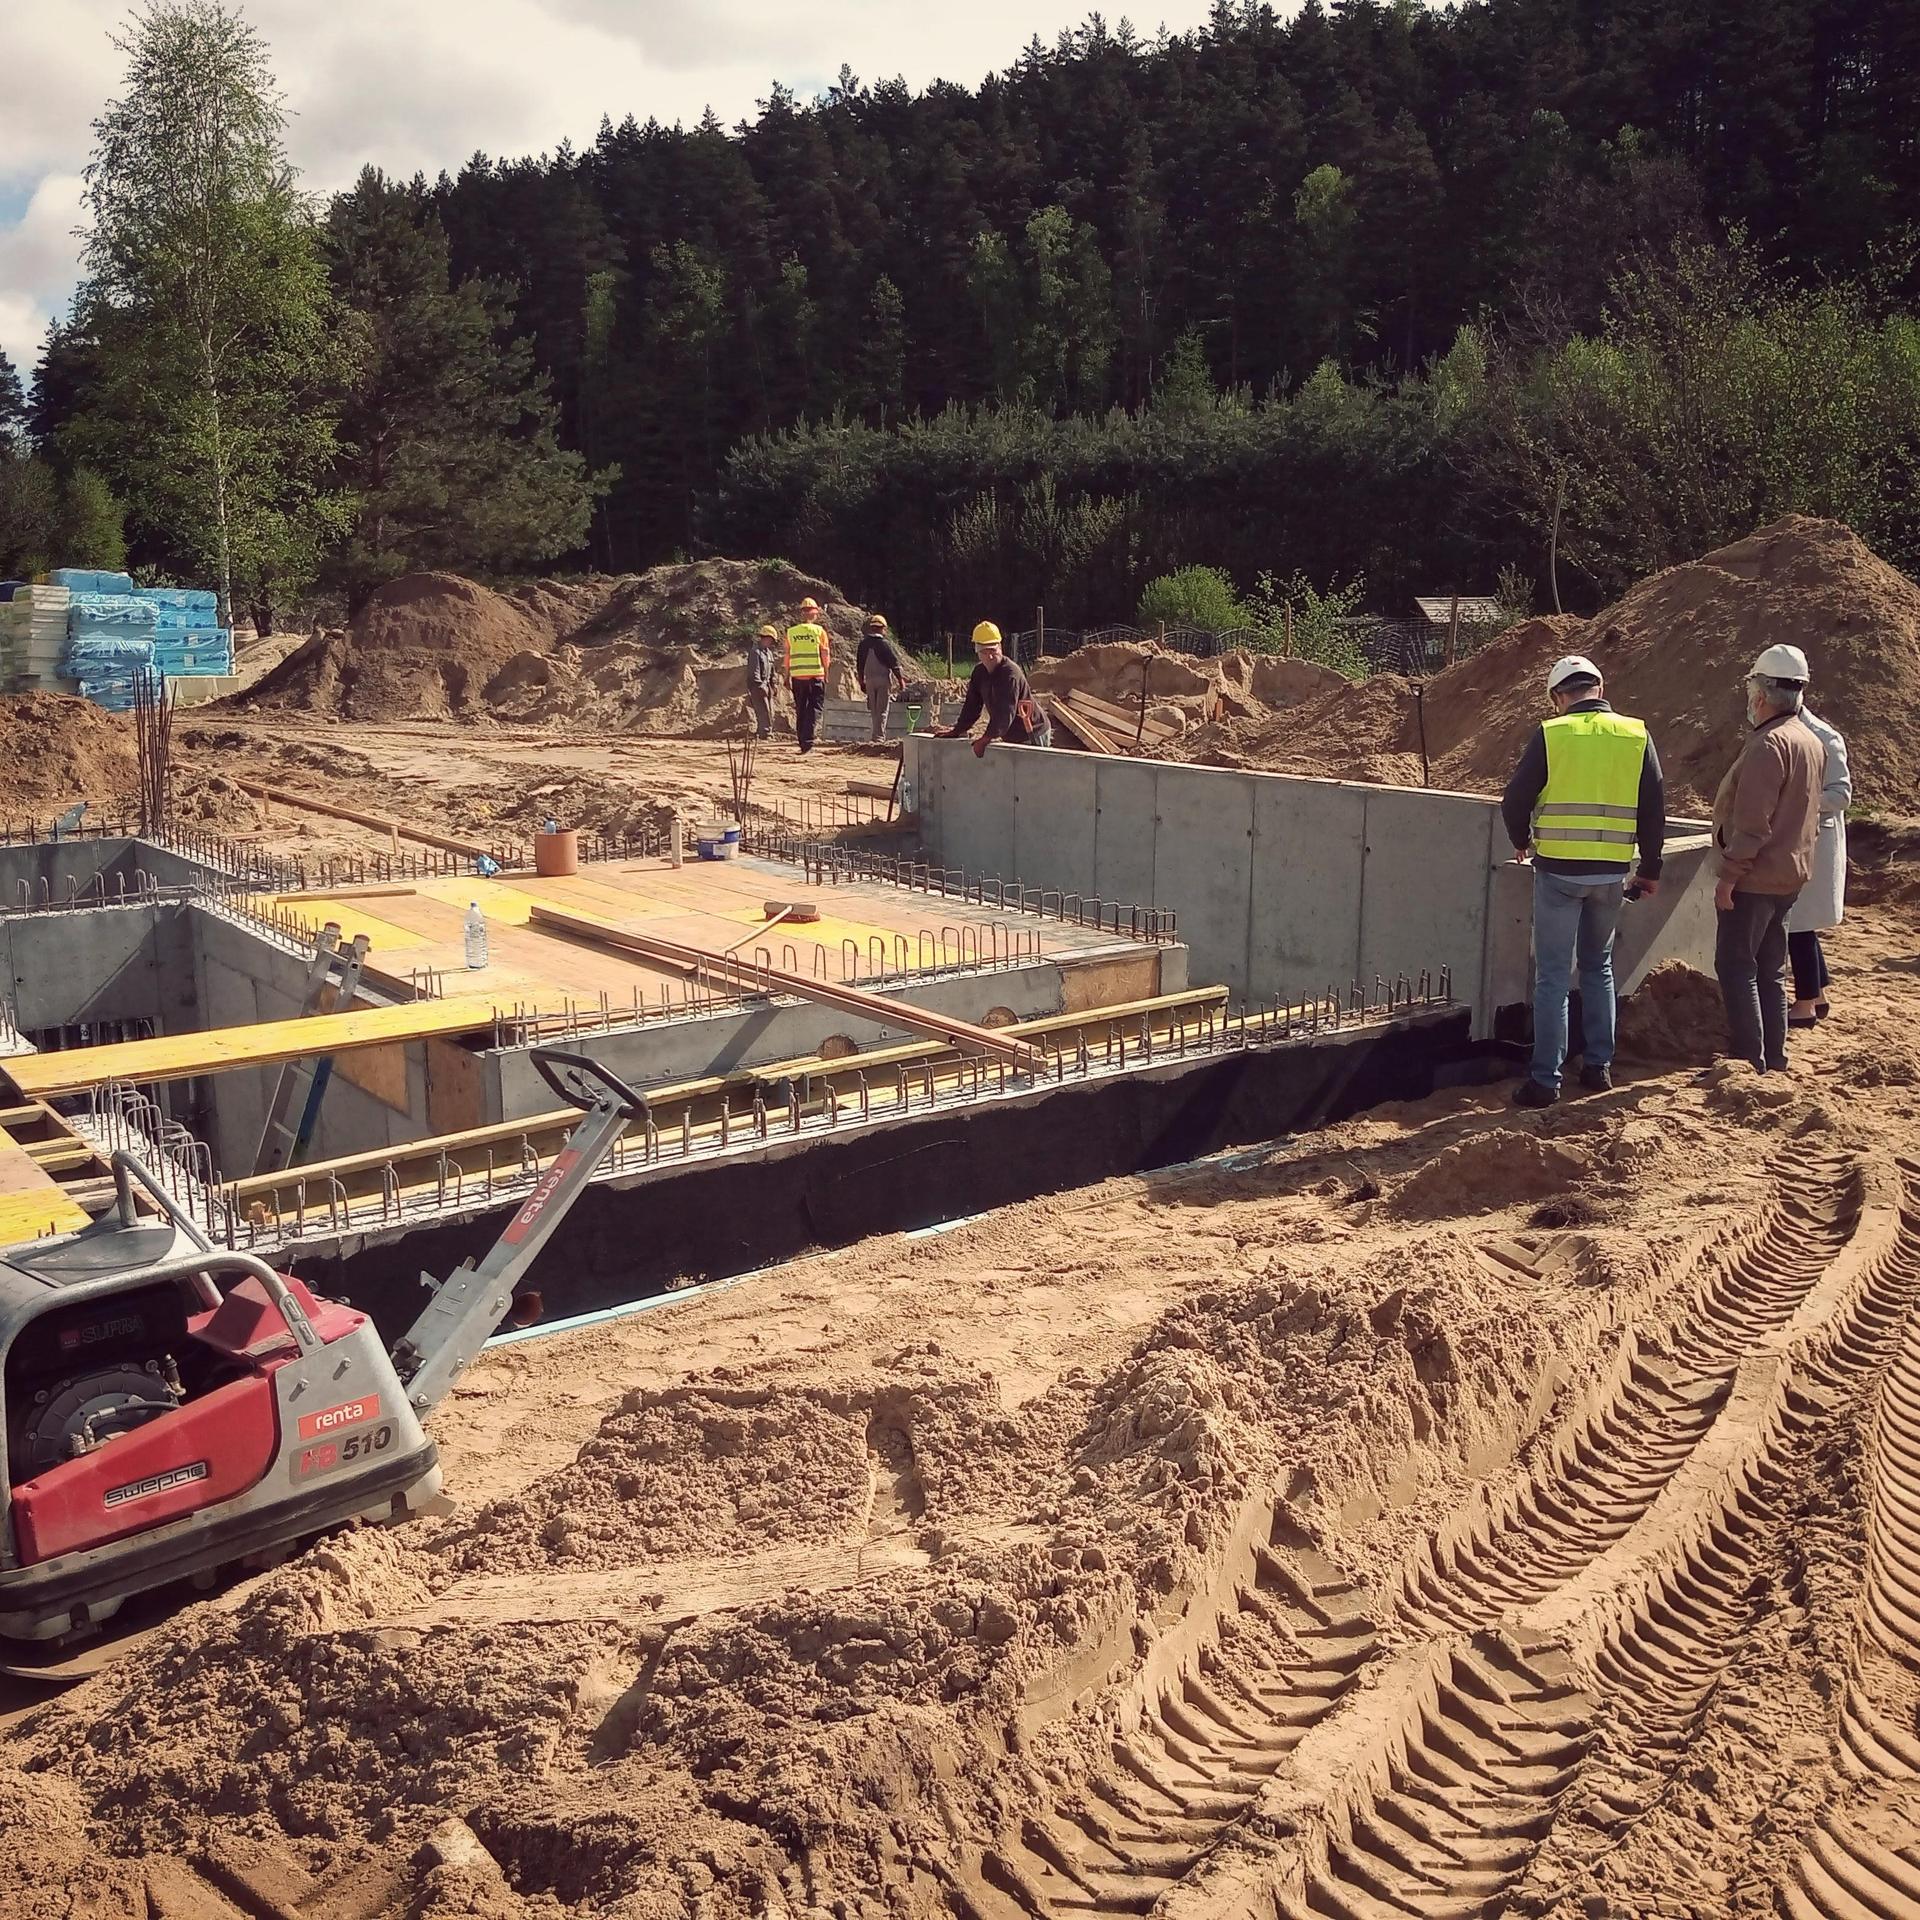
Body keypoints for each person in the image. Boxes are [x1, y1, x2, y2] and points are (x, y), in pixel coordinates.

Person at [1501, 653, 1666, 1107]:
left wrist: (1521, 840)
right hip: (1610, 874)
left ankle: (1546, 1080)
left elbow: (1514, 800)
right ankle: (1598, 1067)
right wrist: (1649, 869)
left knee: (1553, 977)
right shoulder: (1636, 733)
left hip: (1557, 872)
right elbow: (1654, 809)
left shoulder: (1552, 733)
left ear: (1558, 696)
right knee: (1599, 968)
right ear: (1599, 686)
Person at [1711, 644, 1825, 1074]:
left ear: (1760, 695)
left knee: (1737, 966)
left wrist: (1729, 877)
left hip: (1756, 878)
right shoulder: (1809, 740)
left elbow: (1753, 825)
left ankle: (1747, 1062)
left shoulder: (1769, 745)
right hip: (1788, 877)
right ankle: (1773, 1060)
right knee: (1771, 969)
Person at [1786, 705, 1850, 1026]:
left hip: (1816, 845)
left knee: (1797, 925)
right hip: (1798, 844)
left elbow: (1841, 795)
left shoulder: (1826, 738)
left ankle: (1805, 1003)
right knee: (1801, 923)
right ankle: (1818, 995)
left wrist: (1800, 800)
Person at [934, 622, 1051, 756]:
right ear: (977, 651)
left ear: (1000, 647)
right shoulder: (979, 673)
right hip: (1012, 734)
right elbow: (972, 706)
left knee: (1032, 774)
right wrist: (957, 730)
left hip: (1032, 732)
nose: (989, 656)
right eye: (984, 651)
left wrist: (985, 739)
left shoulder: (1010, 674)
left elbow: (1005, 712)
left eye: (993, 650)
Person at [784, 596, 831, 753]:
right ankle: (808, 742)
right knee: (814, 709)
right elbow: (825, 653)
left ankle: (802, 742)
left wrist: (786, 675)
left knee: (801, 709)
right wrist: (827, 672)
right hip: (816, 676)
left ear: (802, 613)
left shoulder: (791, 632)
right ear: (815, 613)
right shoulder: (819, 631)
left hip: (798, 677)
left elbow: (787, 656)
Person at [856, 613, 908, 742]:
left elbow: (859, 664)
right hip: (883, 680)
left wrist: (861, 681)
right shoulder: (884, 644)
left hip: (869, 680)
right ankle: (879, 737)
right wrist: (900, 680)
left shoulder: (863, 644)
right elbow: (893, 663)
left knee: (873, 710)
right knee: (882, 710)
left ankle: (875, 736)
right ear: (882, 628)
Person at [744, 623, 778, 739]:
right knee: (763, 710)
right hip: (757, 686)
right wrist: (759, 686)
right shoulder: (755, 652)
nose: (771, 643)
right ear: (766, 638)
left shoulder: (769, 653)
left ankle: (765, 731)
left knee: (769, 711)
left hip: (767, 685)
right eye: (770, 640)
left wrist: (774, 685)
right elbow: (754, 671)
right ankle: (765, 733)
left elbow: (772, 671)